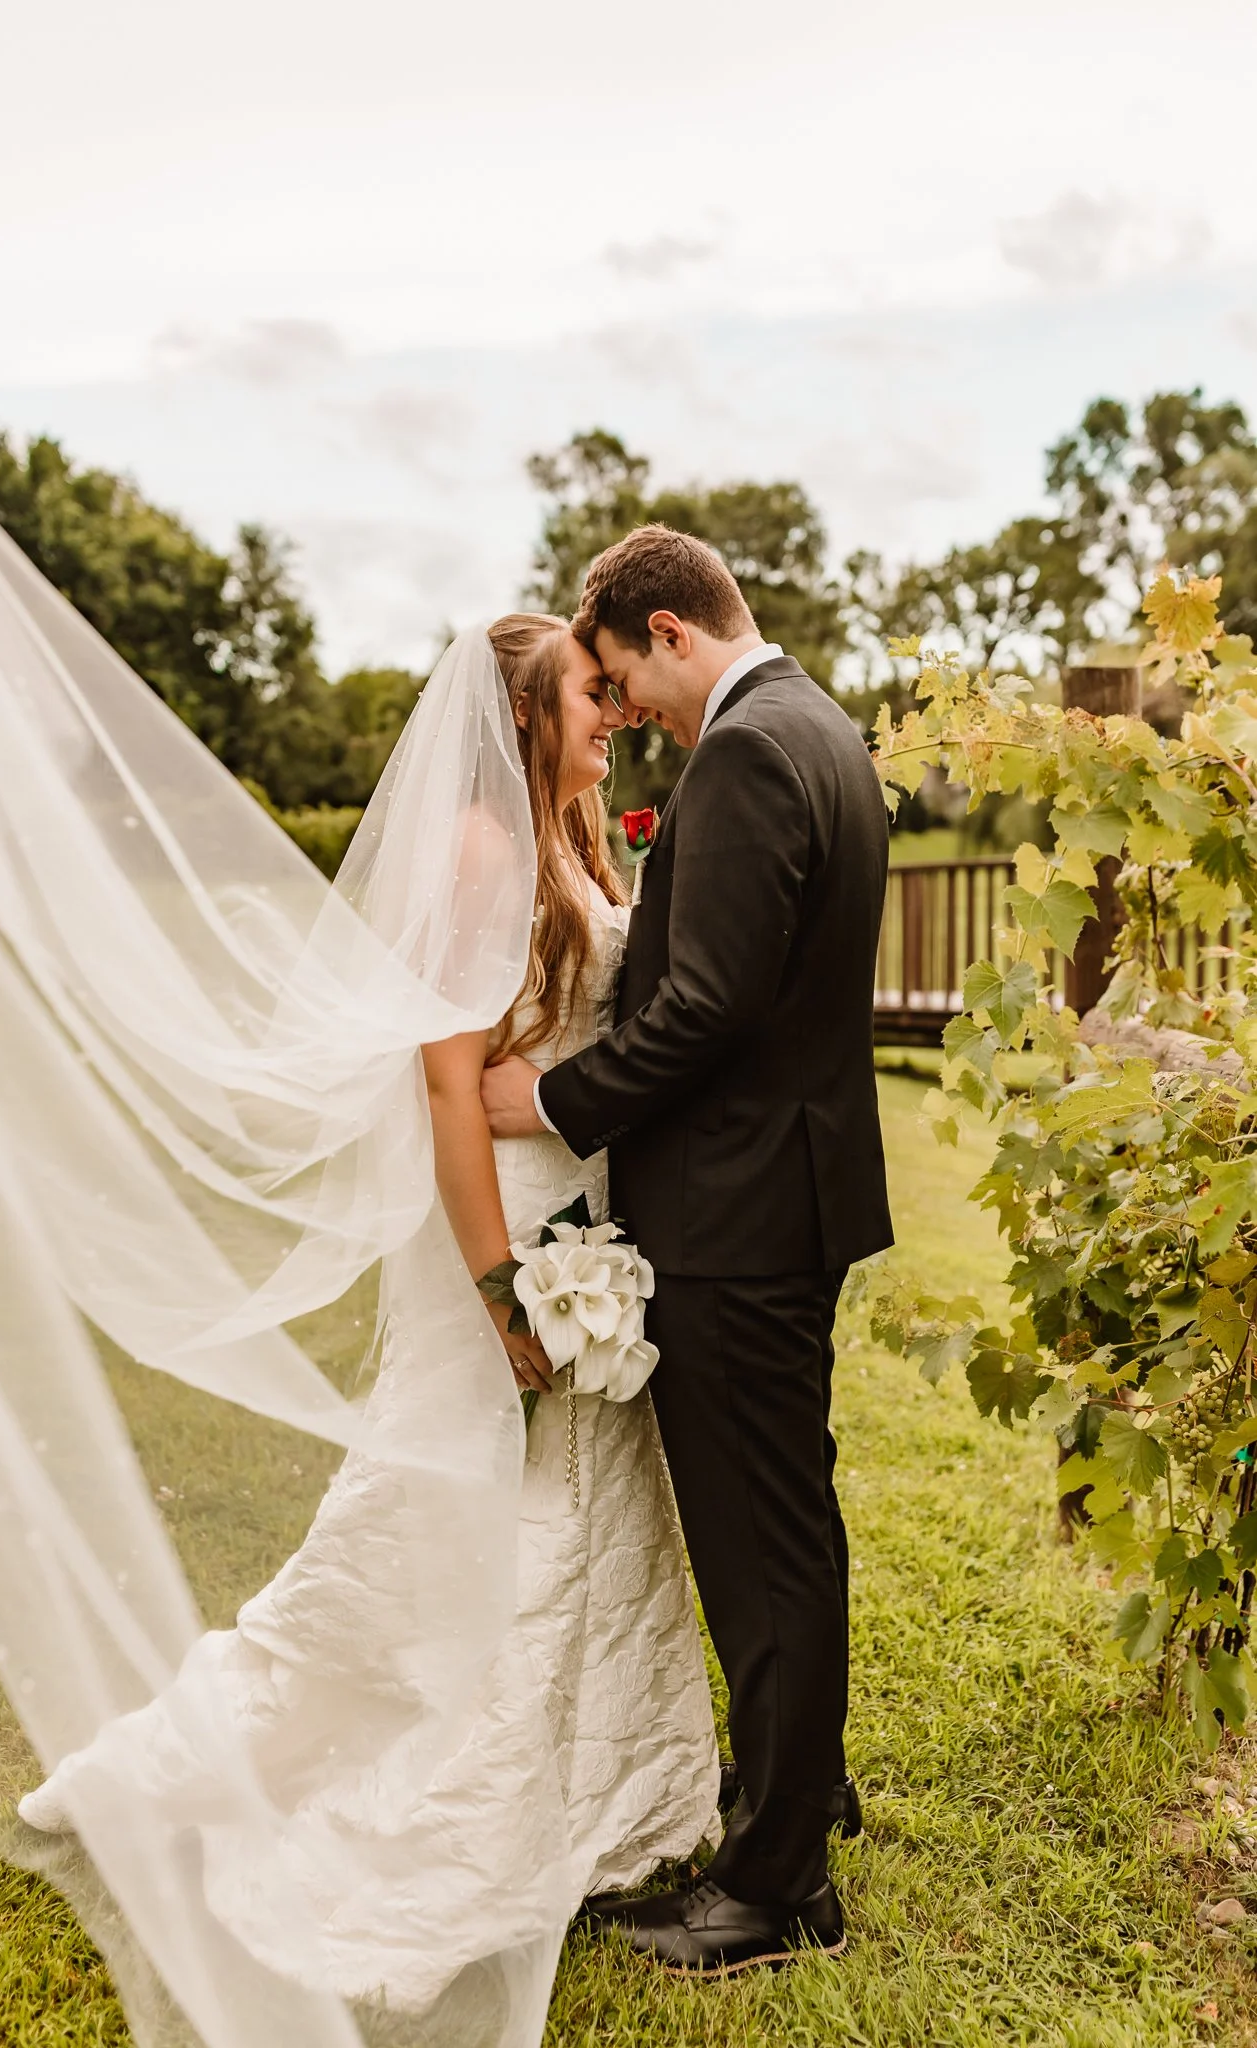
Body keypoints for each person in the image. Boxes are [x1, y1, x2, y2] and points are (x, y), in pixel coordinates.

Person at [18, 612, 721, 2010]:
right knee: (435, 1519)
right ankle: (256, 1776)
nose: (614, 715)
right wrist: (496, 1284)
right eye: (592, 695)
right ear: (525, 712)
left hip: (589, 1207)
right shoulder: (477, 853)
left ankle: (606, 1803)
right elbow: (449, 1085)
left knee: (585, 1513)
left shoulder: (581, 839)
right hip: (511, 1223)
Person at [482, 527, 894, 1974]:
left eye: (616, 674)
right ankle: (796, 1789)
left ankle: (770, 1888)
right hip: (792, 1197)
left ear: (666, 631)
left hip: (737, 1220)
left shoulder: (744, 751)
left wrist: (546, 1097)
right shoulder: (820, 727)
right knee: (792, 1518)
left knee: (759, 1539)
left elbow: (706, 1004)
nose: (623, 711)